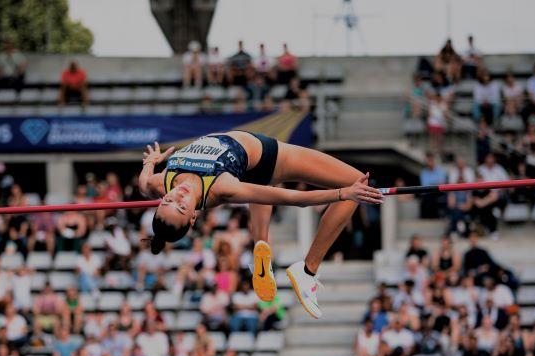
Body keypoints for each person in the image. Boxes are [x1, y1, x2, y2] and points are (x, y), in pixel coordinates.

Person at [138, 132, 384, 320]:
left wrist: (151, 162)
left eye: (168, 201)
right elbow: (293, 200)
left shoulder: (164, 183)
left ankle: (261, 246)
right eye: (181, 206)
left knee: (257, 182)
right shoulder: (222, 187)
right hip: (269, 155)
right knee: (357, 182)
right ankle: (307, 270)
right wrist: (344, 193)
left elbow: (144, 184)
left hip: (247, 165)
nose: (177, 196)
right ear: (193, 217)